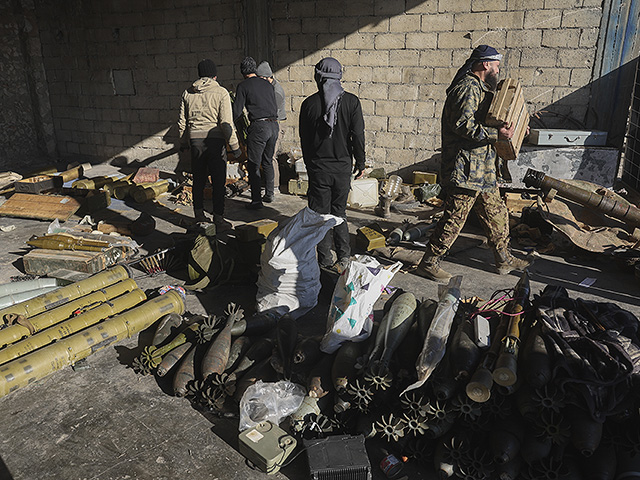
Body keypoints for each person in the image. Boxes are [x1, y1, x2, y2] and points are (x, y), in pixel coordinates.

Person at [416, 45, 532, 281]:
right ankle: (429, 262)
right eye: (496, 65)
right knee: (455, 217)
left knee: (496, 213)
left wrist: (516, 128)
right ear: (485, 64)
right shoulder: (467, 88)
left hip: (484, 169)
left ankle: (503, 259)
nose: (498, 70)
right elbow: (462, 125)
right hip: (466, 169)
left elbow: (492, 119)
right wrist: (496, 135)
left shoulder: (481, 89)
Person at [299, 57, 365, 272]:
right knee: (339, 213)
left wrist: (311, 166)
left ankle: (325, 259)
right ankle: (344, 257)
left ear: (318, 76)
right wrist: (360, 162)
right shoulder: (352, 102)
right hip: (343, 169)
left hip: (319, 169)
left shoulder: (308, 104)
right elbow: (358, 136)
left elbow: (305, 141)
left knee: (321, 215)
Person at [178, 59, 242, 229]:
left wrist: (183, 142)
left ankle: (199, 215)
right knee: (218, 181)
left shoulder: (187, 93)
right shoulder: (221, 93)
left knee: (198, 181)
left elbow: (182, 122)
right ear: (215, 76)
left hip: (195, 143)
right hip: (215, 142)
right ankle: (218, 219)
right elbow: (226, 123)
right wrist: (235, 147)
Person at [232, 57, 279, 209]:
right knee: (268, 161)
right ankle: (270, 193)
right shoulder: (268, 84)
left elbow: (237, 112)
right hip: (274, 126)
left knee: (253, 164)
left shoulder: (243, 86)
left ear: (242, 72)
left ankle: (257, 201)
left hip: (259, 127)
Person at [256, 61, 286, 192]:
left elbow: (272, 109)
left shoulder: (276, 91)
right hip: (270, 124)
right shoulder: (268, 87)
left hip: (277, 125)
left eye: (261, 79)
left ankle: (274, 186)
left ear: (268, 77)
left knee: (271, 155)